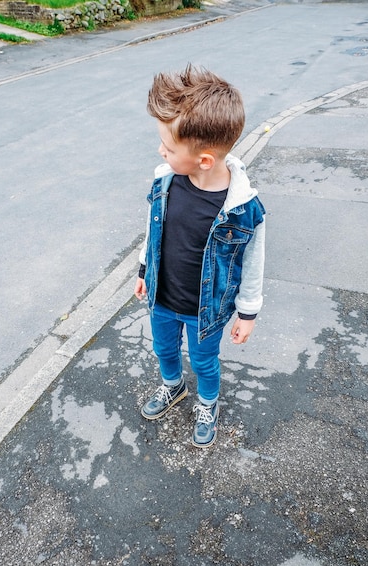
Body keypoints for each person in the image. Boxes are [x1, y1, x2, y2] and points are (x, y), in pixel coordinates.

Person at [134, 64, 266, 449]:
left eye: (169, 147)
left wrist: (248, 313)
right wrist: (144, 269)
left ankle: (208, 403)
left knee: (205, 362)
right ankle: (172, 387)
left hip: (205, 310)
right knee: (163, 349)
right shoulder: (165, 182)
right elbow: (153, 231)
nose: (161, 150)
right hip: (163, 297)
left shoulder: (244, 209)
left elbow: (254, 263)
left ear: (204, 160)